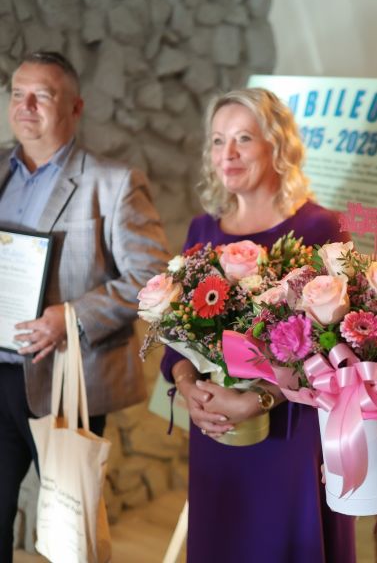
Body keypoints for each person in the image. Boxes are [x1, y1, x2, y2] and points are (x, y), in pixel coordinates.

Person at [160, 87, 356, 563]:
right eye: (217, 140)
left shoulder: (320, 228)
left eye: (243, 138)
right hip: (216, 432)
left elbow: (339, 351)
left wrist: (258, 399)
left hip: (291, 437)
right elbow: (176, 342)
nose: (227, 153)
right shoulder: (201, 229)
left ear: (277, 144)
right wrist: (187, 389)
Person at [0, 51, 171, 561]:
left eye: (42, 96)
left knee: (68, 534)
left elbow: (152, 279)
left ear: (75, 107)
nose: (26, 106)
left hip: (65, 380)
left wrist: (71, 317)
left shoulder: (114, 182)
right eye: (18, 94)